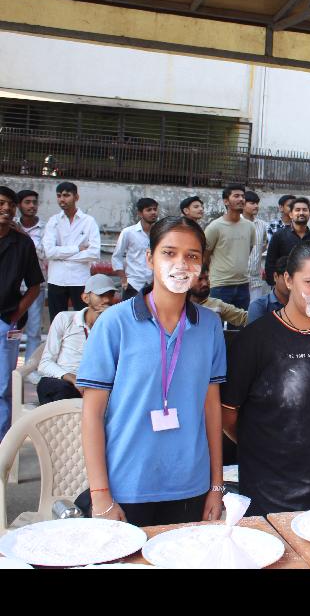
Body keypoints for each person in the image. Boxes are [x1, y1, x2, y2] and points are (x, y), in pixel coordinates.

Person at [78, 216, 226, 527]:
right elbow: (92, 414)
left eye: (192, 256)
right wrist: (100, 494)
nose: (181, 264)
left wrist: (216, 486)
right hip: (127, 484)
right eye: (169, 253)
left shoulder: (210, 325)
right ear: (149, 258)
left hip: (191, 484)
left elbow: (212, 408)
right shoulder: (114, 323)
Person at [222, 241, 310, 516]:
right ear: (288, 280)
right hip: (269, 489)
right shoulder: (254, 339)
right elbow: (227, 413)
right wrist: (269, 444)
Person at [0, 186, 44, 439]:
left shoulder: (22, 243)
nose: (6, 208)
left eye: (10, 204)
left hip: (5, 321)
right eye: (1, 203)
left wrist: (15, 315)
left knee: (3, 385)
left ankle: (2, 444)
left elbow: (35, 285)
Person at [36, 274, 116, 404]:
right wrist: (72, 378)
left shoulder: (114, 326)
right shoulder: (65, 319)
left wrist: (110, 322)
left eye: (110, 295)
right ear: (85, 298)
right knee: (61, 390)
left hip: (95, 384)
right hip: (62, 379)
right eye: (101, 295)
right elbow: (45, 364)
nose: (107, 300)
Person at [42, 181, 101, 321]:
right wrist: (77, 249)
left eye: (66, 195)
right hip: (56, 279)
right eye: (59, 196)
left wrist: (61, 255)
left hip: (80, 280)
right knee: (56, 322)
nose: (62, 199)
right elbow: (49, 252)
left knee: (83, 321)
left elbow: (94, 253)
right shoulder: (53, 221)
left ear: (76, 197)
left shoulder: (88, 221)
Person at [204, 184, 256, 311]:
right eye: (236, 196)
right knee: (216, 321)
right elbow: (205, 256)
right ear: (226, 201)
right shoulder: (215, 227)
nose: (241, 199)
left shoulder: (250, 226)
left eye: (243, 196)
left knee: (242, 322)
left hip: (243, 285)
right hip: (220, 286)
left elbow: (247, 251)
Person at [15, 189, 46, 361]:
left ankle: (30, 368)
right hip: (12, 284)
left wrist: (23, 235)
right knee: (10, 328)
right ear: (19, 205)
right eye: (27, 202)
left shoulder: (46, 227)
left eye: (34, 202)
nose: (32, 206)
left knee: (34, 330)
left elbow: (44, 253)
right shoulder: (9, 224)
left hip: (35, 285)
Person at [264, 197, 310, 285]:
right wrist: (274, 283)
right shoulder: (279, 236)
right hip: (284, 285)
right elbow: (270, 262)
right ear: (291, 214)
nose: (301, 213)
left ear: (309, 214)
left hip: (308, 286)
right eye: (297, 210)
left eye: (305, 210)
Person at [111, 197, 158, 300]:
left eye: (155, 209)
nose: (153, 212)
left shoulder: (160, 233)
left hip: (153, 285)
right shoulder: (128, 232)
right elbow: (116, 257)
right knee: (130, 310)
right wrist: (123, 279)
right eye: (149, 210)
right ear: (140, 213)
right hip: (133, 285)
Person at [243, 190, 269, 304]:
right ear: (243, 204)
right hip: (237, 279)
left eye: (257, 203)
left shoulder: (262, 225)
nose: (256, 206)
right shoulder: (235, 223)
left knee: (254, 310)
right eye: (252, 203)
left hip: (255, 279)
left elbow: (264, 245)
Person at [247, 256, 290, 324]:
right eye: (287, 279)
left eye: (294, 279)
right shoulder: (259, 306)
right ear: (275, 277)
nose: (290, 283)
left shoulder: (302, 305)